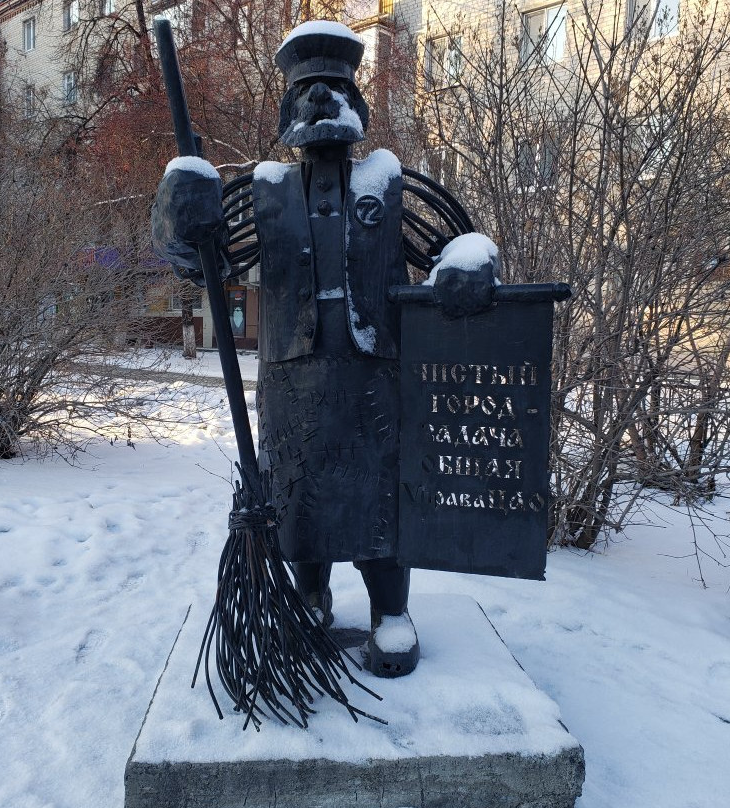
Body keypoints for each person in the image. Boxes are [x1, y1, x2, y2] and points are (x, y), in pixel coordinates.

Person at [152, 20, 499, 678]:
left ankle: (389, 610)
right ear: (289, 105)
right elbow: (205, 260)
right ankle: (309, 592)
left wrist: (468, 269)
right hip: (292, 378)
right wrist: (180, 210)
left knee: (379, 498)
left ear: (357, 103)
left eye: (334, 88)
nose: (321, 101)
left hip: (376, 374)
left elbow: (455, 243)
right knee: (299, 494)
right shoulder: (265, 190)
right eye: (308, 89)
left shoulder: (390, 182)